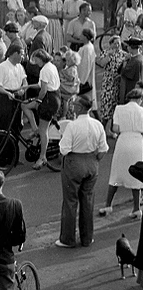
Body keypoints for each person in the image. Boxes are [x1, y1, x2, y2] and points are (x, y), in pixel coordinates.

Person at [56, 95, 108, 248]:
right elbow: (103, 148)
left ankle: (68, 238)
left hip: (74, 163)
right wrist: (94, 159)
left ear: (79, 108)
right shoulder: (97, 124)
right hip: (92, 162)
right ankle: (87, 237)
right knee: (87, 200)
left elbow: (64, 149)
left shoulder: (72, 126)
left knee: (70, 201)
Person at [98, 88, 143, 217]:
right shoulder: (142, 111)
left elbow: (116, 128)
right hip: (138, 142)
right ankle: (136, 208)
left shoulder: (119, 109)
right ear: (140, 99)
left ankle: (108, 205)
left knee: (116, 174)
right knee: (136, 174)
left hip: (123, 141)